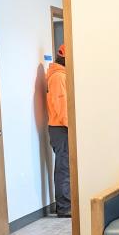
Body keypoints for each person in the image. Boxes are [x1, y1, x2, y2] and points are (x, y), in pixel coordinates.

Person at [46, 44, 70, 217]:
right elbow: (62, 108)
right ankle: (64, 207)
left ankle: (67, 204)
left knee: (66, 167)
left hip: (62, 127)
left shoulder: (62, 76)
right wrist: (74, 128)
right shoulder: (58, 78)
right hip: (61, 128)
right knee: (64, 168)